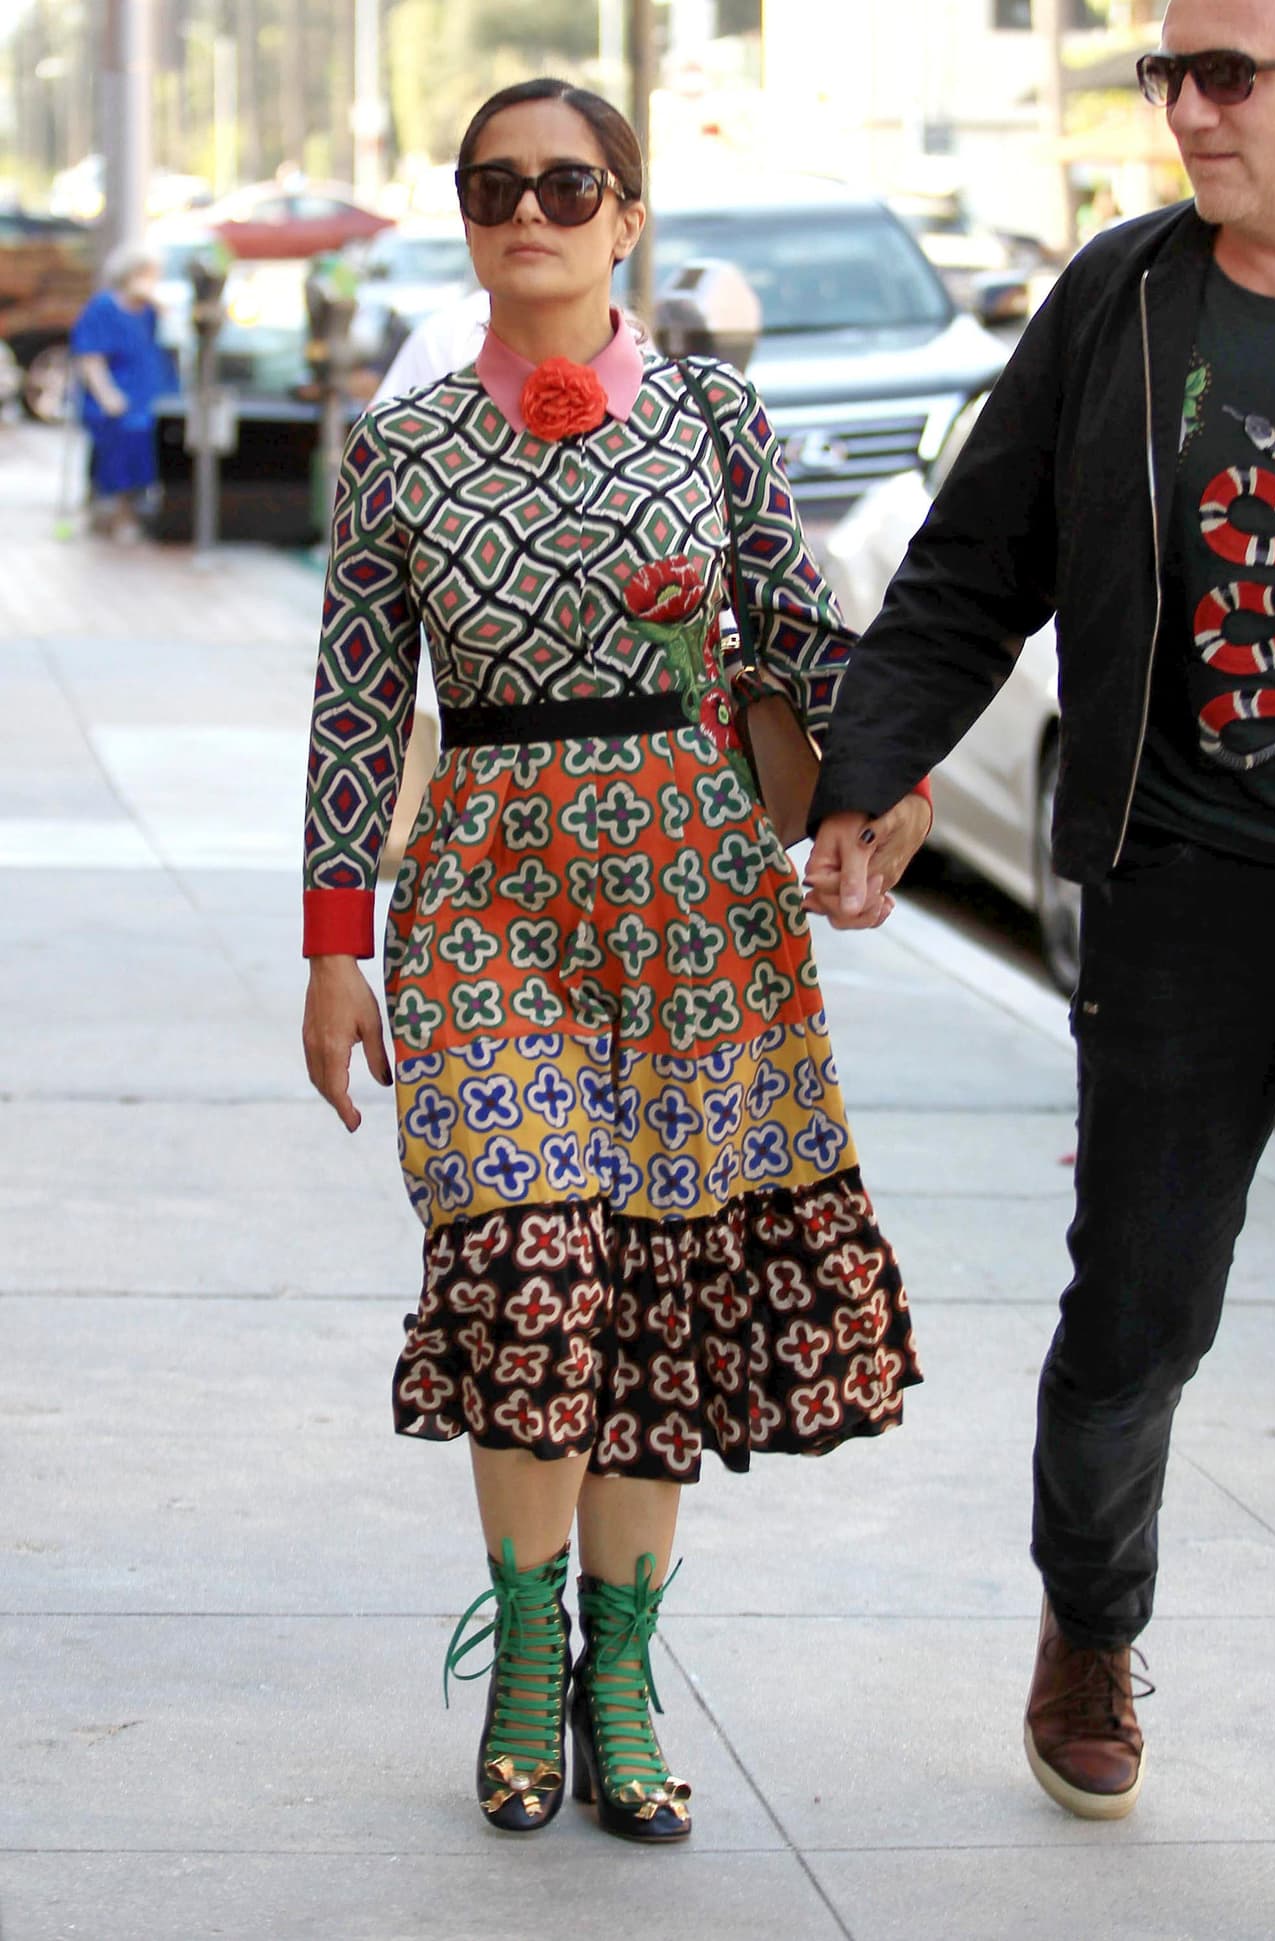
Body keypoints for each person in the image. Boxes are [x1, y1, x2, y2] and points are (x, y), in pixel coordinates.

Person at [301, 76, 930, 1842]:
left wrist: (880, 791)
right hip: (485, 886)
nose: (531, 210)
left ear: (627, 215)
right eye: (496, 183)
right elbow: (359, 712)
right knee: (527, 1267)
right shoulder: (402, 450)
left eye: (568, 183)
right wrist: (333, 950)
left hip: (692, 900)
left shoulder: (721, 423)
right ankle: (523, 1658)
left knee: (653, 1290)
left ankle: (624, 1682)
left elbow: (803, 631)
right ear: (467, 212)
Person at [805, 0, 1275, 1824]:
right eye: (1167, 71)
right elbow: (972, 563)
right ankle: (1092, 1619)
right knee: (1143, 1315)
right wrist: (871, 774)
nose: (1184, 110)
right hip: (1183, 893)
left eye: (1225, 71)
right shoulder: (1125, 298)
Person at [70, 245, 177, 543]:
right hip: (114, 394)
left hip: (150, 393)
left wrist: (158, 304)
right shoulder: (104, 307)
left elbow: (177, 334)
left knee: (157, 432)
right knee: (127, 432)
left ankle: (143, 506)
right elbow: (90, 357)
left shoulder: (150, 311)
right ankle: (119, 510)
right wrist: (107, 394)